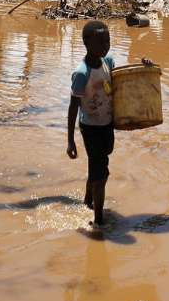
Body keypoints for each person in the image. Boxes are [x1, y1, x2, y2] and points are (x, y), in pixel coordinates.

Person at [65, 20, 155, 228]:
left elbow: (125, 77)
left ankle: (87, 200)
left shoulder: (108, 62)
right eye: (100, 42)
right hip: (90, 128)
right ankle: (99, 222)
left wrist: (145, 64)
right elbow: (72, 108)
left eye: (108, 40)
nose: (105, 45)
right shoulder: (82, 73)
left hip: (106, 125)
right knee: (102, 173)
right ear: (86, 43)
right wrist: (70, 141)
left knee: (99, 161)